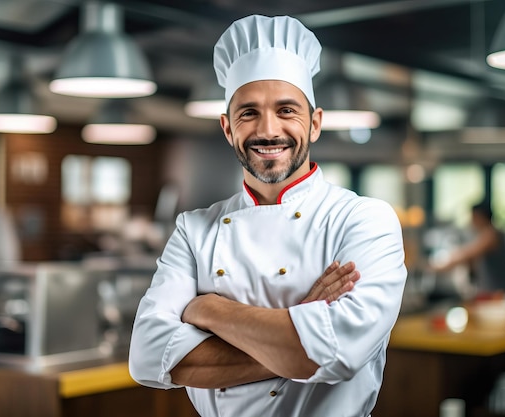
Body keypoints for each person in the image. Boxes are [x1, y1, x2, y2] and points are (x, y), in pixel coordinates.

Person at [129, 14, 407, 417]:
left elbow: (335, 355)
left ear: (314, 124)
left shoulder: (363, 220)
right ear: (227, 128)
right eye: (248, 113)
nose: (268, 129)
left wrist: (209, 310)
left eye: (286, 110)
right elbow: (147, 357)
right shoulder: (194, 230)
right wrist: (297, 334)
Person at [429, 200, 505, 294]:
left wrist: (438, 265)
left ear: (480, 217)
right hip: (492, 294)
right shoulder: (486, 235)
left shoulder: (491, 235)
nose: (471, 221)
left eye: (473, 217)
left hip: (499, 295)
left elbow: (467, 254)